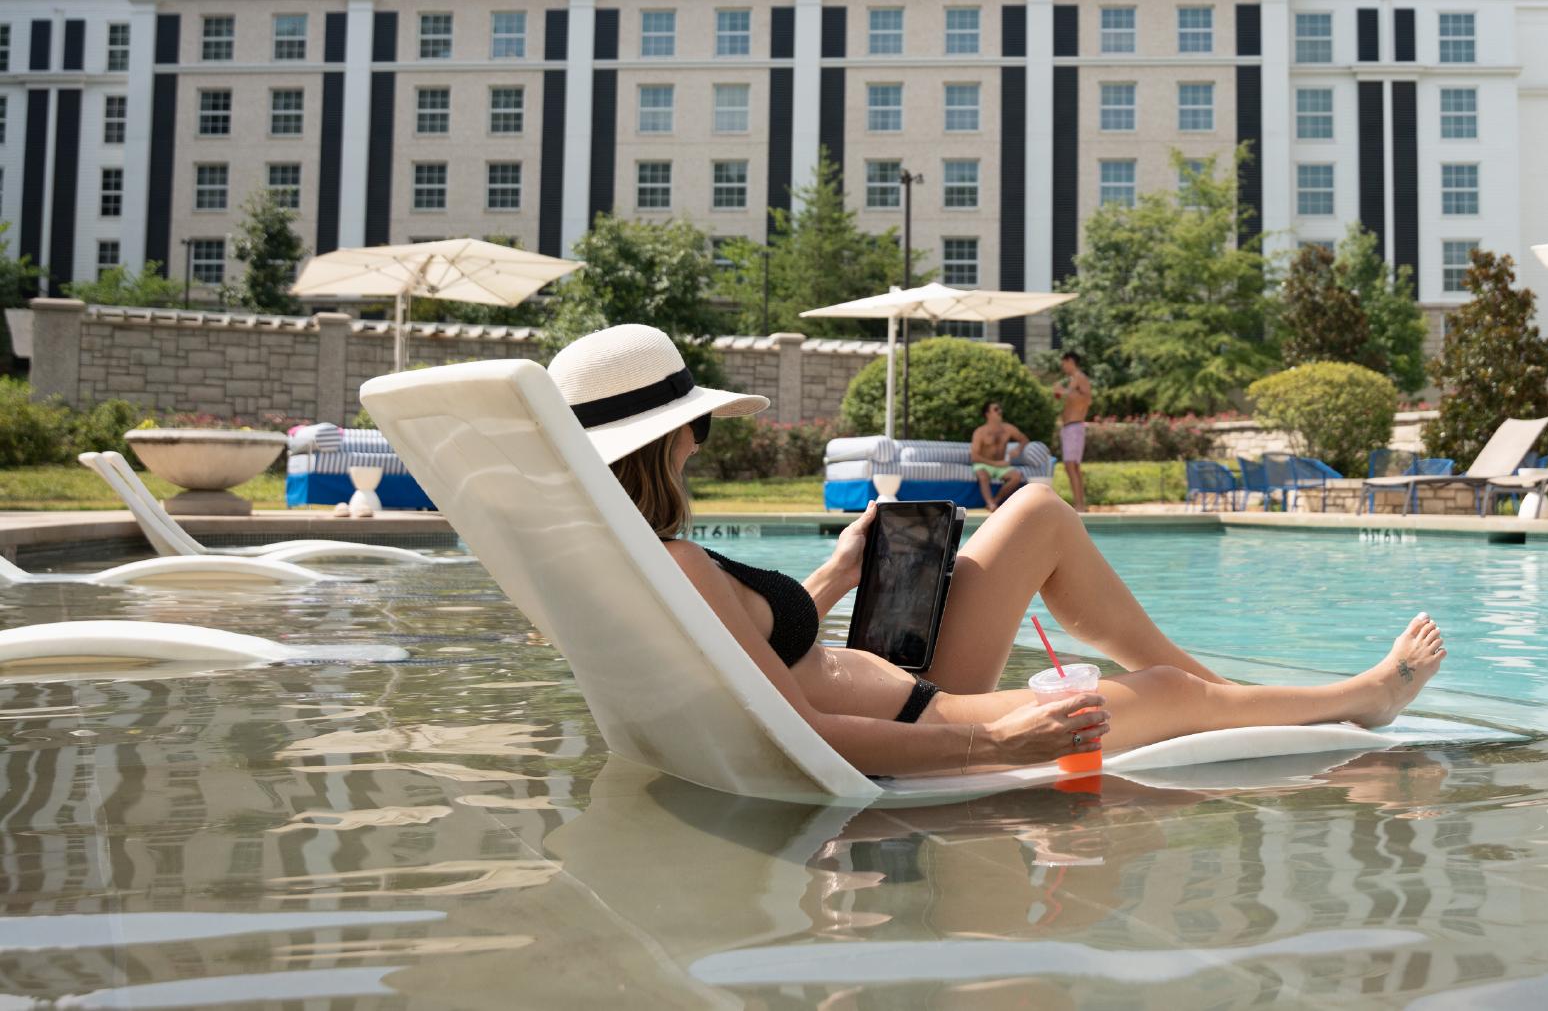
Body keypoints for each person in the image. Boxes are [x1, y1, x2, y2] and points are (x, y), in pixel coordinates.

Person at [548, 324, 1450, 778]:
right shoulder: (672, 563)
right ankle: (1352, 698)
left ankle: (1214, 698)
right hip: (919, 721)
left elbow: (756, 657)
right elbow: (804, 734)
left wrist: (839, 572)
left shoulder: (634, 558)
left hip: (890, 672)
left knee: (1037, 511)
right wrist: (997, 740)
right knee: (1168, 692)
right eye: (695, 423)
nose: (702, 439)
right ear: (669, 439)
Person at [968, 399, 1029, 510]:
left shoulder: (1008, 428)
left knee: (1016, 476)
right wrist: (996, 463)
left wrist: (1018, 449)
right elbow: (974, 457)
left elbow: (1024, 439)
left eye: (1000, 408)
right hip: (984, 464)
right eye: (996, 409)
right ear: (987, 414)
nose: (1000, 411)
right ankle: (989, 502)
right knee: (982, 475)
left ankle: (995, 501)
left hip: (1001, 466)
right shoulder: (980, 432)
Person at [1052, 351, 1092, 513]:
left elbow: (1085, 398)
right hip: (1071, 428)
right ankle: (1080, 503)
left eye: (1064, 363)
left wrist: (1061, 391)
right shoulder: (1075, 381)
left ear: (1070, 361)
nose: (1063, 367)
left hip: (1074, 427)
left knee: (1071, 466)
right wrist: (1061, 393)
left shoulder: (1079, 377)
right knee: (1073, 466)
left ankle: (1080, 504)